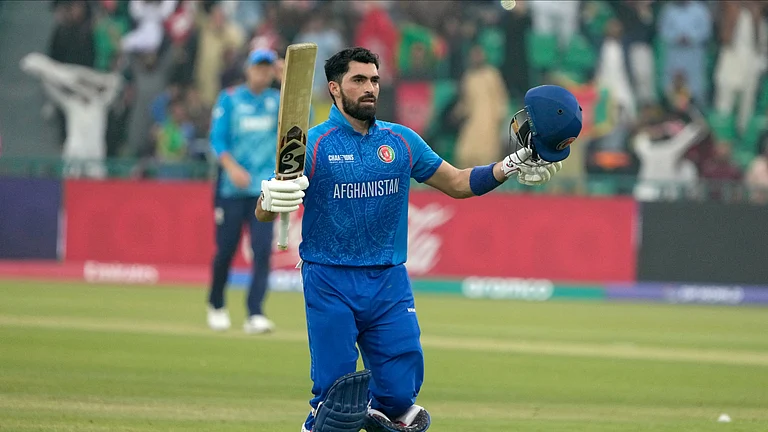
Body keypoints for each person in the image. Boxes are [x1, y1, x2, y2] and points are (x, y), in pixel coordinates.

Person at [255, 47, 582, 432]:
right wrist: (270, 198)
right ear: (335, 89)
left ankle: (376, 415)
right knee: (337, 398)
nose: (370, 88)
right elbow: (269, 205)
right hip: (330, 279)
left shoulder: (402, 141)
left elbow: (458, 183)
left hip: (389, 282)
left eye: (374, 79)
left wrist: (508, 164)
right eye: (358, 80)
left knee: (398, 400)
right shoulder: (314, 143)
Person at [206, 48, 281, 334]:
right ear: (248, 70)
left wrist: (289, 82)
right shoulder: (230, 98)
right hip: (232, 189)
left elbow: (301, 124)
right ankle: (216, 305)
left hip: (264, 190)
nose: (262, 73)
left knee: (262, 251)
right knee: (226, 249)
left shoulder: (278, 101)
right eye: (258, 67)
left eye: (267, 68)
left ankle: (255, 312)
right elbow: (217, 139)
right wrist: (231, 168)